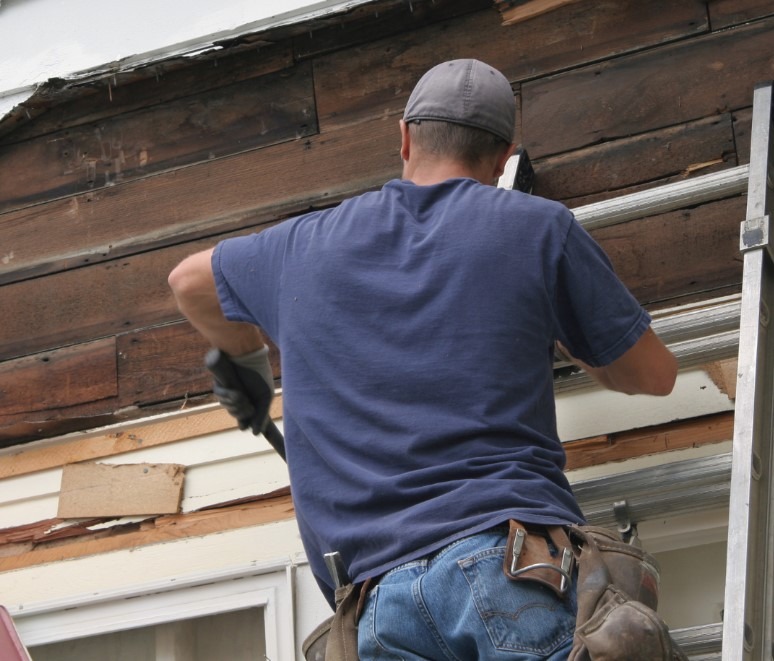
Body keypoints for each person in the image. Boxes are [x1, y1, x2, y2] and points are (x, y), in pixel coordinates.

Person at [168, 58, 678, 660]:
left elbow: (188, 280)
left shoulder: (301, 245)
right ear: (503, 158)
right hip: (508, 564)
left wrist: (247, 363)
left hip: (377, 607)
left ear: (404, 136)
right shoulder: (538, 229)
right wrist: (569, 333)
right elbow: (654, 376)